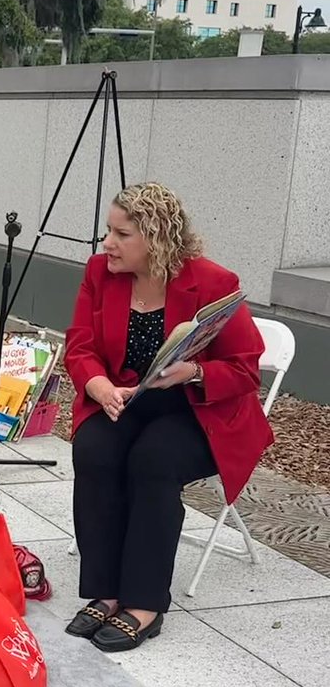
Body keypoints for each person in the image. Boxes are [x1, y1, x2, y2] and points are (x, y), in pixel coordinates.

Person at [65, 182, 272, 652]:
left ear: (155, 238)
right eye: (108, 231)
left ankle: (144, 602)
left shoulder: (214, 282)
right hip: (126, 398)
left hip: (198, 410)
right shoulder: (101, 272)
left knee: (153, 461)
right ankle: (108, 589)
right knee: (94, 450)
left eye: (121, 234)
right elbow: (80, 345)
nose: (107, 244)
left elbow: (245, 369)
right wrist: (97, 384)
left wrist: (193, 371)